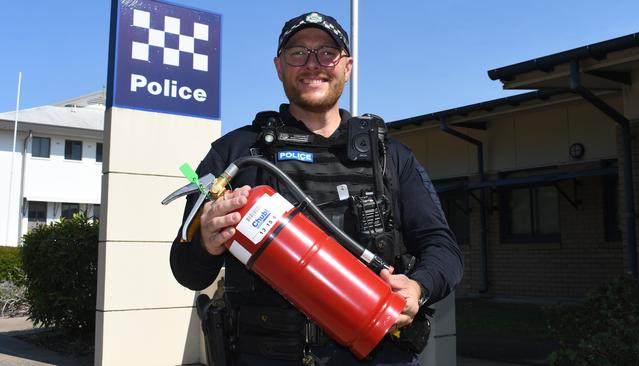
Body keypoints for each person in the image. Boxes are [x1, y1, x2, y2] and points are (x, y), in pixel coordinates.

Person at [170, 11, 463, 366]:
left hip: (377, 353)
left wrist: (418, 287)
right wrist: (205, 243)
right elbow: (186, 270)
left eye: (327, 53)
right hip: (267, 354)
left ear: (347, 66)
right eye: (298, 53)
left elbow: (443, 249)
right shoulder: (236, 155)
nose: (313, 65)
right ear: (279, 66)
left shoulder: (389, 157)